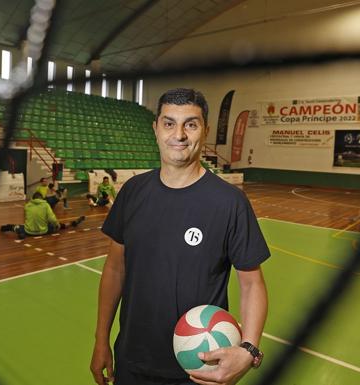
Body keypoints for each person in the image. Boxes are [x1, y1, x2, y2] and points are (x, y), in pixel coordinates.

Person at [90, 88, 270, 385]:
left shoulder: (229, 202)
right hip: (131, 362)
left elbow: (252, 284)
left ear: (205, 130)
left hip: (199, 370)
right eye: (169, 123)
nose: (179, 134)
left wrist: (248, 349)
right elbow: (114, 269)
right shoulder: (133, 192)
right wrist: (101, 339)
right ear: (156, 128)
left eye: (191, 124)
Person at [0, 192, 82, 239]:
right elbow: (52, 219)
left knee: (9, 226)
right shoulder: (45, 204)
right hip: (44, 231)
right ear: (41, 198)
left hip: (28, 230)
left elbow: (26, 219)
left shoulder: (27, 206)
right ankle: (72, 223)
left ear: (33, 198)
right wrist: (57, 225)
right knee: (59, 225)